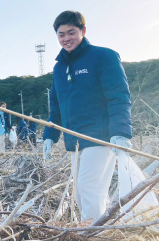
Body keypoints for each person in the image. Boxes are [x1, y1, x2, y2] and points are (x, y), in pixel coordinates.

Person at [42, 11, 132, 223]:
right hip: (73, 140)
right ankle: (98, 228)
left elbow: (119, 96)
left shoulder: (104, 56)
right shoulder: (59, 68)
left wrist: (120, 133)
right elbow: (56, 106)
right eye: (61, 34)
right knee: (81, 194)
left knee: (89, 187)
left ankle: (92, 234)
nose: (66, 38)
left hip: (99, 136)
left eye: (71, 32)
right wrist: (50, 136)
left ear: (83, 31)